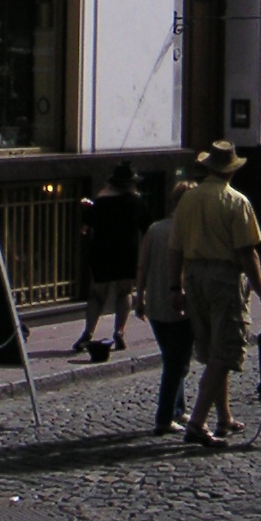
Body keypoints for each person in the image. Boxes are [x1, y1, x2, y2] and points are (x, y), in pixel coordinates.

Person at [168, 140, 261, 447]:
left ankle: (224, 417)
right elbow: (248, 254)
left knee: (212, 350)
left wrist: (175, 287)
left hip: (194, 277)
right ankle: (197, 422)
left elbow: (175, 248)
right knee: (226, 349)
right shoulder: (236, 202)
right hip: (224, 279)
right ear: (231, 171)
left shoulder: (188, 200)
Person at [134, 179, 195, 434]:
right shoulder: (188, 232)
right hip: (180, 305)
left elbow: (142, 265)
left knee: (172, 358)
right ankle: (164, 416)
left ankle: (178, 408)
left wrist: (139, 296)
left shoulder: (155, 229)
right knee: (176, 363)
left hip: (156, 305)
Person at [73, 161, 148, 355]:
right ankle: (120, 331)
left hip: (102, 251)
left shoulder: (101, 202)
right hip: (126, 251)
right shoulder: (137, 202)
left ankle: (88, 332)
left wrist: (88, 208)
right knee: (124, 292)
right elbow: (147, 227)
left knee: (97, 295)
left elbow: (87, 225)